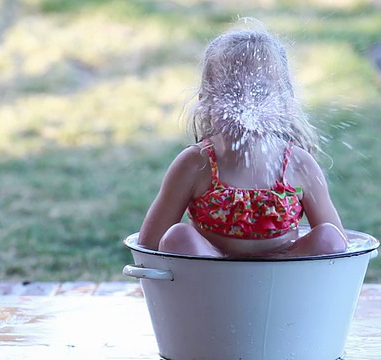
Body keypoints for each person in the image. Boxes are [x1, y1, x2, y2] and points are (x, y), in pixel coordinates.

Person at [138, 19, 348, 258]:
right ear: (206, 102)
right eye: (231, 91)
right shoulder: (196, 164)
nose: (246, 102)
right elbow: (149, 244)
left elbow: (340, 246)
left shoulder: (299, 165)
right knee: (178, 237)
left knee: (329, 238)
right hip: (212, 280)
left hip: (281, 278)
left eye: (260, 91)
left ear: (285, 102)